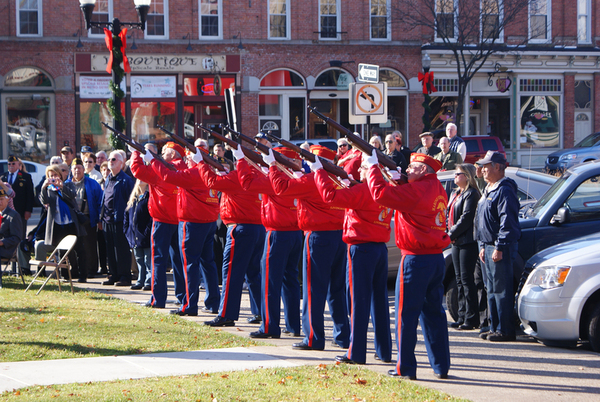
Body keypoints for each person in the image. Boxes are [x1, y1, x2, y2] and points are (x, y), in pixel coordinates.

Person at [366, 151, 451, 380]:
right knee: (434, 313)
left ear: (423, 170)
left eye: (412, 168)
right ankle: (440, 365)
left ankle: (406, 367)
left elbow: (380, 194)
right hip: (435, 257)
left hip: (415, 258)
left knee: (406, 315)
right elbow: (410, 193)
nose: (407, 170)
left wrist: (374, 168)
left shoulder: (417, 190)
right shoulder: (436, 188)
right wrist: (397, 178)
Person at [268, 145, 350, 351]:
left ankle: (313, 337)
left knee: (314, 289)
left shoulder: (312, 179)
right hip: (340, 236)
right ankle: (342, 335)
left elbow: (281, 188)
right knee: (336, 289)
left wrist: (272, 166)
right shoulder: (337, 179)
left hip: (318, 236)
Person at [312, 156, 393, 365]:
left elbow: (329, 196)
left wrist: (319, 172)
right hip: (380, 248)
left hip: (361, 248)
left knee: (358, 302)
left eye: (364, 168)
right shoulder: (385, 190)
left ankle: (356, 352)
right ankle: (384, 350)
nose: (360, 172)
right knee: (379, 301)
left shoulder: (363, 191)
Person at [237, 146, 302, 339]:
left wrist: (241, 160)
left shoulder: (274, 180)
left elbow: (247, 183)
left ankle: (269, 326)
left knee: (269, 283)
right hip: (295, 233)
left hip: (277, 234)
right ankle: (292, 325)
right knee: (290, 280)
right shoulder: (297, 178)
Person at [152, 147, 221, 316]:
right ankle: (213, 302)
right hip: (208, 221)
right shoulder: (208, 172)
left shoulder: (194, 173)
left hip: (192, 223)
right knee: (208, 263)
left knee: (190, 264)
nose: (186, 161)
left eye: (189, 158)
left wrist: (153, 160)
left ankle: (190, 304)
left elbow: (168, 176)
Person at [198, 155, 264, 327]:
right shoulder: (257, 177)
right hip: (257, 228)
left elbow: (211, 182)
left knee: (231, 273)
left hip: (240, 228)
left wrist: (201, 163)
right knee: (253, 273)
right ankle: (260, 312)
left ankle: (226, 313)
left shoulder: (237, 177)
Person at [129, 142, 186, 309]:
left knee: (158, 261)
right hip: (180, 219)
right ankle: (183, 297)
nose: (161, 153)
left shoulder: (161, 169)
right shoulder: (185, 168)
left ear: (174, 154)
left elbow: (137, 171)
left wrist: (135, 154)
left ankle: (158, 298)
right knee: (178, 261)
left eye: (165, 151)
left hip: (162, 219)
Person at [475, 151, 520, 342]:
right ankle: (494, 326)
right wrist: (484, 245)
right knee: (490, 289)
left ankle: (505, 329)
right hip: (488, 246)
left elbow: (507, 222)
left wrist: (500, 247)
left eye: (486, 165)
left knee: (501, 290)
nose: (483, 169)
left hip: (500, 247)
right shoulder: (489, 188)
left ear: (497, 167)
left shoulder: (505, 189)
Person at [447, 164, 481, 330]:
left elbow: (466, 218)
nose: (455, 176)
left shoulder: (472, 194)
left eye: (458, 173)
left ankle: (471, 317)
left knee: (467, 280)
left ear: (467, 176)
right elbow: (449, 215)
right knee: (459, 279)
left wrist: (450, 234)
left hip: (467, 241)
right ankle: (461, 316)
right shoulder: (455, 193)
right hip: (456, 242)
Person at [39, 165, 83, 280]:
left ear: (60, 175)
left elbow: (73, 195)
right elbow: (44, 201)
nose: (54, 178)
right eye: (51, 176)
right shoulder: (49, 189)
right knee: (62, 251)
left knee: (78, 248)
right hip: (57, 223)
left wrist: (61, 186)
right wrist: (44, 187)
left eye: (56, 175)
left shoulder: (67, 184)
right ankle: (65, 275)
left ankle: (81, 274)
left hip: (70, 222)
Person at [100, 151, 135, 286]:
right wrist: (101, 217)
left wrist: (128, 220)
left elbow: (131, 202)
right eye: (109, 159)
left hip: (120, 220)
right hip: (107, 219)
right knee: (110, 249)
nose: (110, 161)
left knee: (121, 250)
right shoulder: (108, 178)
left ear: (121, 163)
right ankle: (113, 274)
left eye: (114, 159)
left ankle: (124, 276)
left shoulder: (126, 180)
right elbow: (105, 198)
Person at [66, 158, 103, 282]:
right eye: (75, 168)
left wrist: (98, 219)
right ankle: (75, 270)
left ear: (83, 170)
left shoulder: (93, 184)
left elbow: (99, 202)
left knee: (89, 246)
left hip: (88, 219)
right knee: (72, 247)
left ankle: (91, 270)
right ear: (71, 170)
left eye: (79, 168)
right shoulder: (66, 184)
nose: (77, 170)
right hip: (71, 221)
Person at [124, 179, 152, 291]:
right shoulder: (133, 198)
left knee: (147, 259)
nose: (140, 180)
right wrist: (127, 231)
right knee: (139, 259)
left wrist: (147, 232)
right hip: (134, 235)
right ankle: (140, 280)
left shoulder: (149, 196)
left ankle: (148, 281)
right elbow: (126, 215)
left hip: (144, 234)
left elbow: (151, 217)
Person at [1, 156, 34, 238]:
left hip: (20, 210)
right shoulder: (3, 177)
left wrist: (28, 210)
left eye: (13, 163)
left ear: (18, 164)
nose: (11, 165)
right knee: (6, 233)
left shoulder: (25, 176)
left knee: (20, 233)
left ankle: (21, 250)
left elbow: (30, 194)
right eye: (9, 164)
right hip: (5, 210)